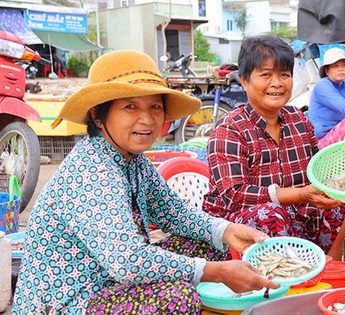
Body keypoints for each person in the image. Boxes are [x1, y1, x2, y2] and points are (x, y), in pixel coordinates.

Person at [12, 50, 278, 315]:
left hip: (109, 285)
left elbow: (174, 212)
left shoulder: (131, 159)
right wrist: (216, 273)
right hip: (69, 304)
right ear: (97, 114)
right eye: (130, 106)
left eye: (155, 106)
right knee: (177, 299)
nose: (147, 119)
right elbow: (127, 260)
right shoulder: (92, 170)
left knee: (210, 245)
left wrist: (227, 230)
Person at [202, 35, 345, 261]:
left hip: (293, 220)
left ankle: (330, 267)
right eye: (265, 74)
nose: (277, 83)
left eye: (284, 74)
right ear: (244, 80)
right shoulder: (230, 129)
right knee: (269, 214)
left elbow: (319, 173)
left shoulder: (298, 120)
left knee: (341, 198)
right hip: (236, 231)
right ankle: (282, 279)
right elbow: (234, 196)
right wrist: (300, 194)